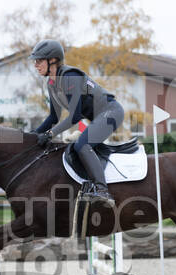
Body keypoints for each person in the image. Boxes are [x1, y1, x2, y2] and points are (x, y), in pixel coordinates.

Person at [29, 39, 124, 206]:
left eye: (39, 60)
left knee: (81, 145)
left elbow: (75, 116)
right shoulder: (51, 83)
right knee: (75, 147)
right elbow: (53, 117)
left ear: (52, 61)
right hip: (99, 117)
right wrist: (32, 136)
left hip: (111, 112)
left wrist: (50, 134)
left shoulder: (69, 77)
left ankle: (102, 190)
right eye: (35, 61)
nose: (35, 65)